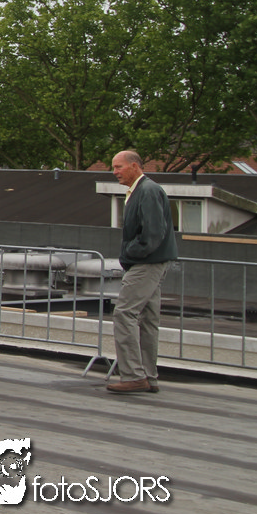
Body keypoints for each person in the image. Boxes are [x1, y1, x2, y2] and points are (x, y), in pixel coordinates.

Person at [107, 150, 178, 394]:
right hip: (152, 262)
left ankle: (133, 375)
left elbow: (153, 234)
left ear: (135, 166)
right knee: (148, 319)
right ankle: (148, 376)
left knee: (124, 313)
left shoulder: (147, 191)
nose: (115, 172)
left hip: (146, 263)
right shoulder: (144, 190)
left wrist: (130, 254)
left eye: (118, 167)